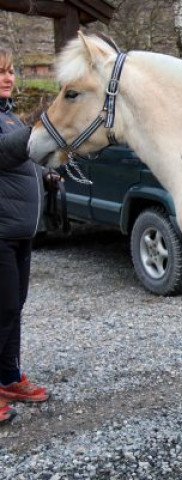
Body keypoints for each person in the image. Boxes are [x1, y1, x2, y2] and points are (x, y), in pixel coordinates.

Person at [0, 48, 56, 424]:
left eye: (11, 70)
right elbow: (5, 153)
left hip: (20, 232)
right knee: (1, 309)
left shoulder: (7, 116)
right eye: (0, 72)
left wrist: (46, 174)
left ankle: (7, 377)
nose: (9, 78)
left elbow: (22, 161)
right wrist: (44, 123)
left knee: (13, 309)